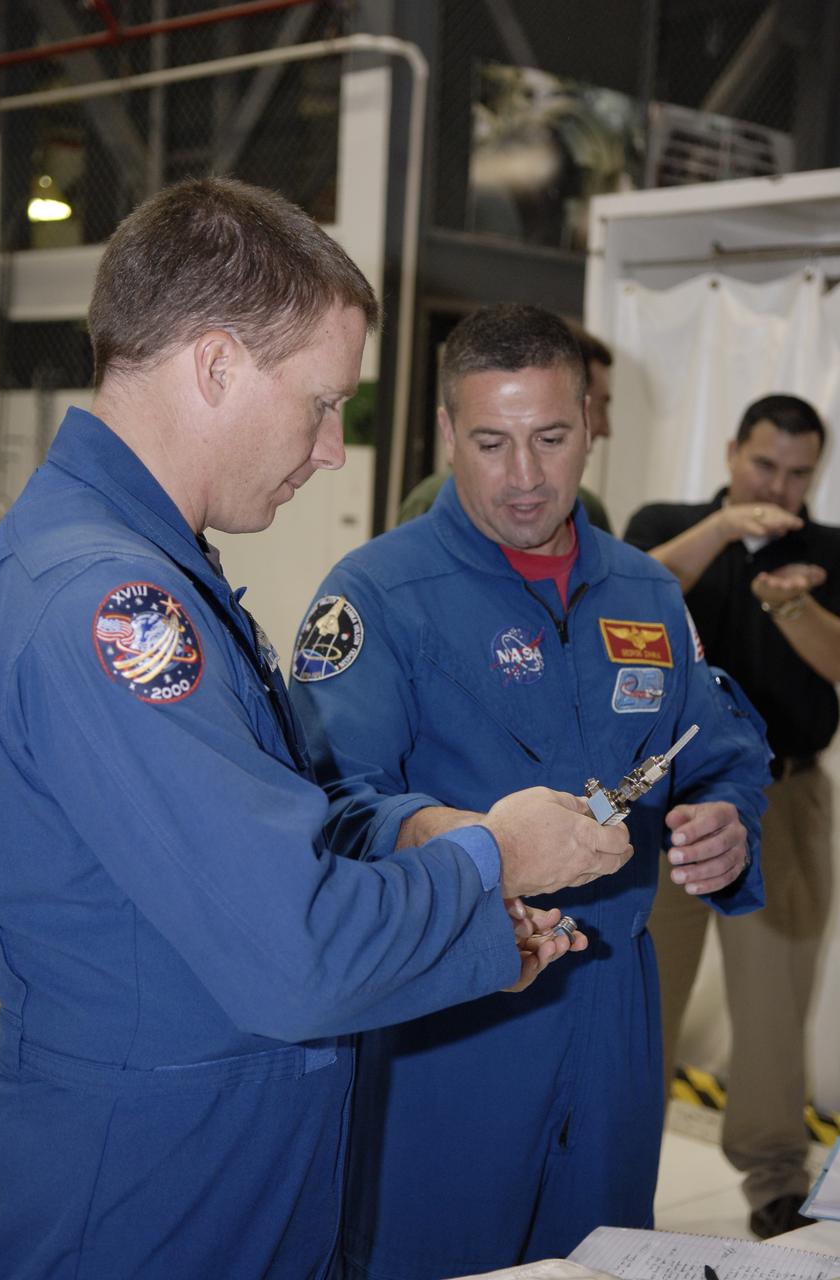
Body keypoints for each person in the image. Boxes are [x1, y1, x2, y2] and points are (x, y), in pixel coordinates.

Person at [0, 180, 636, 1280]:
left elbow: (263, 825)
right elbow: (297, 950)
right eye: (324, 403)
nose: (335, 449)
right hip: (152, 1201)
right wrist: (498, 854)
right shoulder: (110, 607)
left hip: (210, 1165)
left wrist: (422, 843)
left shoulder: (133, 568)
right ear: (215, 364)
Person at [289, 303, 771, 1279]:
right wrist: (474, 839)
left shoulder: (645, 594)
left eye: (550, 438)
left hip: (615, 1012)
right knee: (428, 1253)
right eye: (490, 440)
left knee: (602, 1256)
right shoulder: (377, 594)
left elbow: (716, 749)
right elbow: (327, 808)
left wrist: (727, 821)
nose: (522, 476)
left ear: (590, 424)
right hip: (451, 1000)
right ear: (444, 435)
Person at [624, 393, 840, 1240]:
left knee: (774, 1002)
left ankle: (777, 1185)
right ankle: (611, 1164)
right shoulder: (667, 523)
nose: (779, 488)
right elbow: (625, 604)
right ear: (730, 452)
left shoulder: (826, 551)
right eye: (764, 466)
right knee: (640, 993)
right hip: (665, 801)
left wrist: (793, 605)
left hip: (783, 798)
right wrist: (721, 533)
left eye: (798, 473)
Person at [397, 320, 613, 531]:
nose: (605, 428)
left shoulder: (587, 511)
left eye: (550, 439)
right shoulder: (430, 502)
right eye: (492, 444)